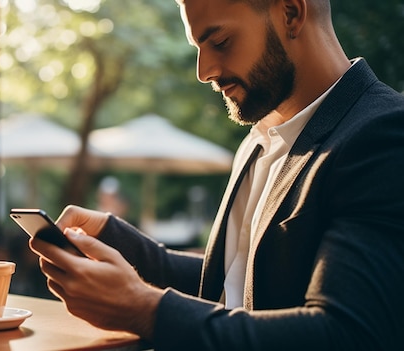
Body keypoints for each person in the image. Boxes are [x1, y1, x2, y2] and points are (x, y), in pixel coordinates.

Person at [28, 0, 404, 349]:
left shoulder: (382, 135)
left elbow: (346, 332)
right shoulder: (259, 141)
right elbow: (242, 285)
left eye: (220, 41)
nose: (204, 71)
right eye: (198, 47)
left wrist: (143, 309)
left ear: (291, 12)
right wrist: (129, 247)